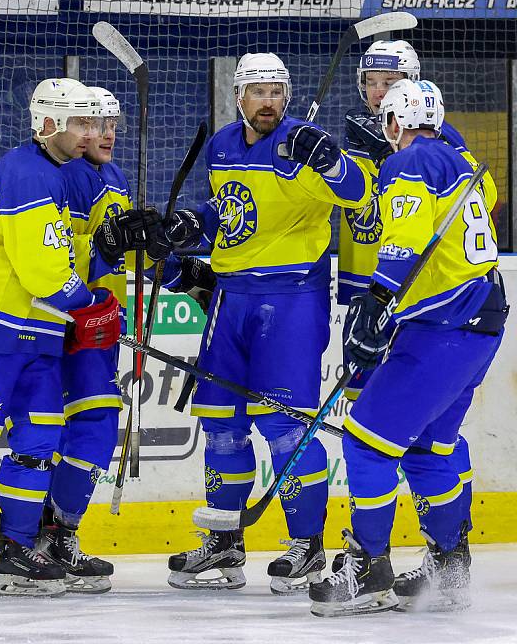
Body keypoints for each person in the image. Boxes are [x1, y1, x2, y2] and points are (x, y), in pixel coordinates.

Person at [146, 52, 372, 593]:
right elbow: (232, 211)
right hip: (230, 299)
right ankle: (224, 544)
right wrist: (190, 223)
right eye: (258, 91)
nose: (268, 100)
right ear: (239, 97)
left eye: (277, 91)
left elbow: (360, 196)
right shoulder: (224, 144)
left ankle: (307, 547)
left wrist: (330, 161)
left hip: (290, 299)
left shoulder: (304, 144)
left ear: (287, 96)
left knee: (285, 426)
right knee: (221, 424)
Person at [310, 79, 508, 617]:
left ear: (393, 122)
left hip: (442, 326)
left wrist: (377, 300)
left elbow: (404, 239)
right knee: (428, 448)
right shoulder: (460, 160)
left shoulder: (411, 162)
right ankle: (449, 570)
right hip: (481, 320)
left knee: (367, 442)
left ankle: (368, 570)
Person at [37, 86, 214, 593]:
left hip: (99, 326)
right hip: (67, 326)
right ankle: (47, 536)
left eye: (113, 123)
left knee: (84, 428)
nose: (108, 133)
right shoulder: (65, 177)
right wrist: (107, 244)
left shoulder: (109, 175)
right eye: (96, 124)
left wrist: (181, 271)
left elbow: (122, 250)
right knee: (81, 426)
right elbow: (66, 257)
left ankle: (53, 535)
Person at [0, 78, 124, 597]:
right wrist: (92, 305)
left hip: (37, 336)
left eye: (92, 122)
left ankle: (14, 549)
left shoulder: (52, 173)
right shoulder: (27, 174)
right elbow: (45, 275)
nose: (89, 133)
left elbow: (65, 264)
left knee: (37, 444)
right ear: (47, 123)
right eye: (78, 123)